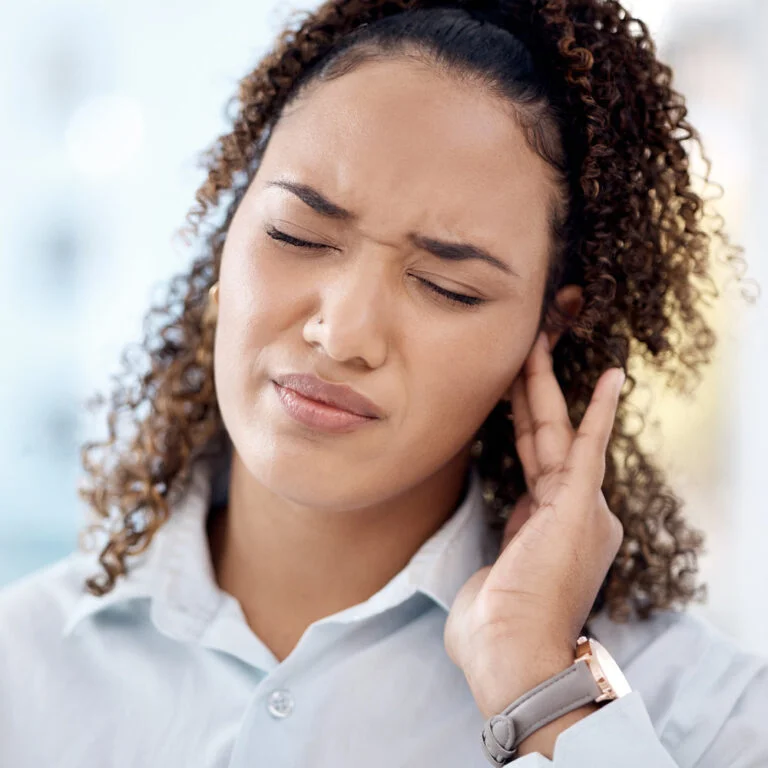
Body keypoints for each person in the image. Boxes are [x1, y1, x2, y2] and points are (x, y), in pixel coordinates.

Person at [0, 1, 765, 766]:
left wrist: (540, 690)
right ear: (227, 241)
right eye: (297, 235)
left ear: (544, 333)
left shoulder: (701, 715)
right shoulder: (22, 670)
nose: (344, 332)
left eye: (446, 286)